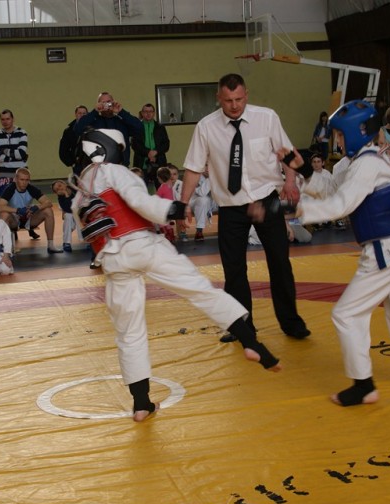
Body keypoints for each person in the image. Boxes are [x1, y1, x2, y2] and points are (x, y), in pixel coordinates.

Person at [72, 128, 283, 422]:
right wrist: (176, 208)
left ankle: (141, 404)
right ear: (109, 148)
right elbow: (141, 202)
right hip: (142, 245)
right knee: (199, 289)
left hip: (113, 261)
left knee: (129, 331)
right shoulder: (114, 171)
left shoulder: (80, 192)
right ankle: (252, 343)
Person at [289, 100, 390, 406]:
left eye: (339, 135)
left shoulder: (367, 164)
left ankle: (363, 386)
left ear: (356, 132)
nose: (336, 141)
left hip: (387, 251)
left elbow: (340, 205)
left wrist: (295, 210)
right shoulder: (367, 159)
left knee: (346, 314)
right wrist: (304, 169)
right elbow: (334, 190)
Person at [181, 73, 310, 343]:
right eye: (228, 100)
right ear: (218, 98)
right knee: (234, 269)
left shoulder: (267, 117)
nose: (234, 105)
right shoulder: (206, 127)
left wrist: (290, 181)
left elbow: (286, 153)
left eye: (239, 99)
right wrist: (183, 204)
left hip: (266, 199)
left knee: (280, 263)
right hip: (231, 206)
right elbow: (193, 167)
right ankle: (243, 327)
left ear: (246, 95)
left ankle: (291, 322)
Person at [0, 167, 63, 254]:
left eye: (27, 180)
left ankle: (51, 245)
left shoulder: (31, 188)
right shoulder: (10, 189)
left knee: (48, 210)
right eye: (22, 179)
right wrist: (17, 210)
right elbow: (0, 207)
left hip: (28, 218)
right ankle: (5, 247)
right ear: (16, 179)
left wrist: (36, 208)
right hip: (14, 220)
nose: (24, 182)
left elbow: (48, 203)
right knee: (4, 214)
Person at [74, 91, 143, 167]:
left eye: (108, 102)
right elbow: (77, 129)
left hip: (120, 166)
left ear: (113, 103)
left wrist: (121, 111)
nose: (106, 105)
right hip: (97, 167)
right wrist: (95, 111)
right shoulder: (93, 121)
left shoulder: (121, 121)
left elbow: (139, 128)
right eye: (103, 102)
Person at [131, 103, 170, 189]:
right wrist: (148, 152)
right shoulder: (137, 127)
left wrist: (156, 152)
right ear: (142, 113)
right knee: (141, 189)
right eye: (145, 111)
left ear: (154, 113)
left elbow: (166, 144)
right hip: (142, 164)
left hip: (159, 163)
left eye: (150, 111)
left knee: (162, 189)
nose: (148, 114)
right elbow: (135, 144)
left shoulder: (160, 127)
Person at [0, 109, 29, 196]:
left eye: (8, 119)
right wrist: (15, 157)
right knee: (4, 201)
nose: (5, 122)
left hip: (21, 175)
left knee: (23, 201)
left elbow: (21, 154)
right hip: (4, 174)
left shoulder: (22, 132)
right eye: (3, 119)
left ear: (13, 119)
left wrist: (4, 151)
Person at [51, 179, 81, 252]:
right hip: (71, 216)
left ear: (65, 184)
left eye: (60, 186)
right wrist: (66, 195)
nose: (59, 189)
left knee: (78, 217)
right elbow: (68, 209)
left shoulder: (75, 189)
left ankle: (87, 240)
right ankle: (67, 242)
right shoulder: (60, 199)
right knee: (67, 215)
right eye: (57, 190)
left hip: (81, 214)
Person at [58, 105, 88, 172]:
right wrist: (72, 163)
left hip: (91, 164)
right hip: (77, 164)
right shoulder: (69, 131)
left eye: (84, 113)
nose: (82, 115)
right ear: (75, 114)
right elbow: (63, 150)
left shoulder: (92, 129)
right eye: (79, 113)